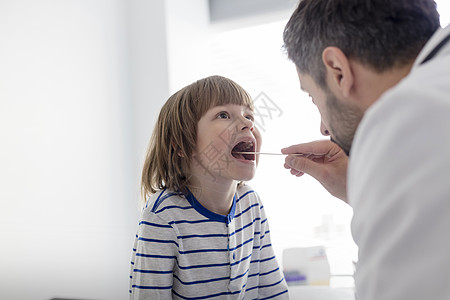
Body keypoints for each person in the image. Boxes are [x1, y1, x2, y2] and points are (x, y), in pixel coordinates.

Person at [281, 0, 450, 299]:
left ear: (338, 70)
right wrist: (368, 193)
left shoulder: (406, 115)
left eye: (312, 96)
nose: (323, 128)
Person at [129, 75, 289, 299]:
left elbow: (273, 291)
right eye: (223, 115)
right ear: (183, 145)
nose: (249, 124)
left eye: (249, 115)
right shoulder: (164, 215)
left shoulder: (251, 204)